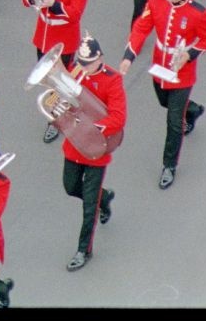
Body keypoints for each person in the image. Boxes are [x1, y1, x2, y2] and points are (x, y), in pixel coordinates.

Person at [121, 0, 206, 188]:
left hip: (182, 72)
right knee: (165, 102)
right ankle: (192, 110)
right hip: (160, 65)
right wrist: (129, 55)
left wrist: (189, 54)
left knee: (173, 122)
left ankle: (169, 165)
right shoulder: (155, 2)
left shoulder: (199, 13)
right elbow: (141, 28)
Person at [55, 36, 126, 270]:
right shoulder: (75, 73)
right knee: (70, 186)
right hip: (75, 146)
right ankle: (102, 198)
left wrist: (95, 129)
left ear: (100, 59)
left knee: (88, 209)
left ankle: (83, 250)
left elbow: (118, 117)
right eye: (81, 62)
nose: (83, 67)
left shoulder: (112, 80)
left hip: (97, 150)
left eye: (88, 63)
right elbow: (64, 102)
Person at [24, 0, 89, 143]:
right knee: (47, 79)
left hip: (63, 39)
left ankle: (57, 119)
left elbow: (74, 14)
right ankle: (56, 110)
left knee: (60, 81)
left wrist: (54, 4)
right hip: (43, 35)